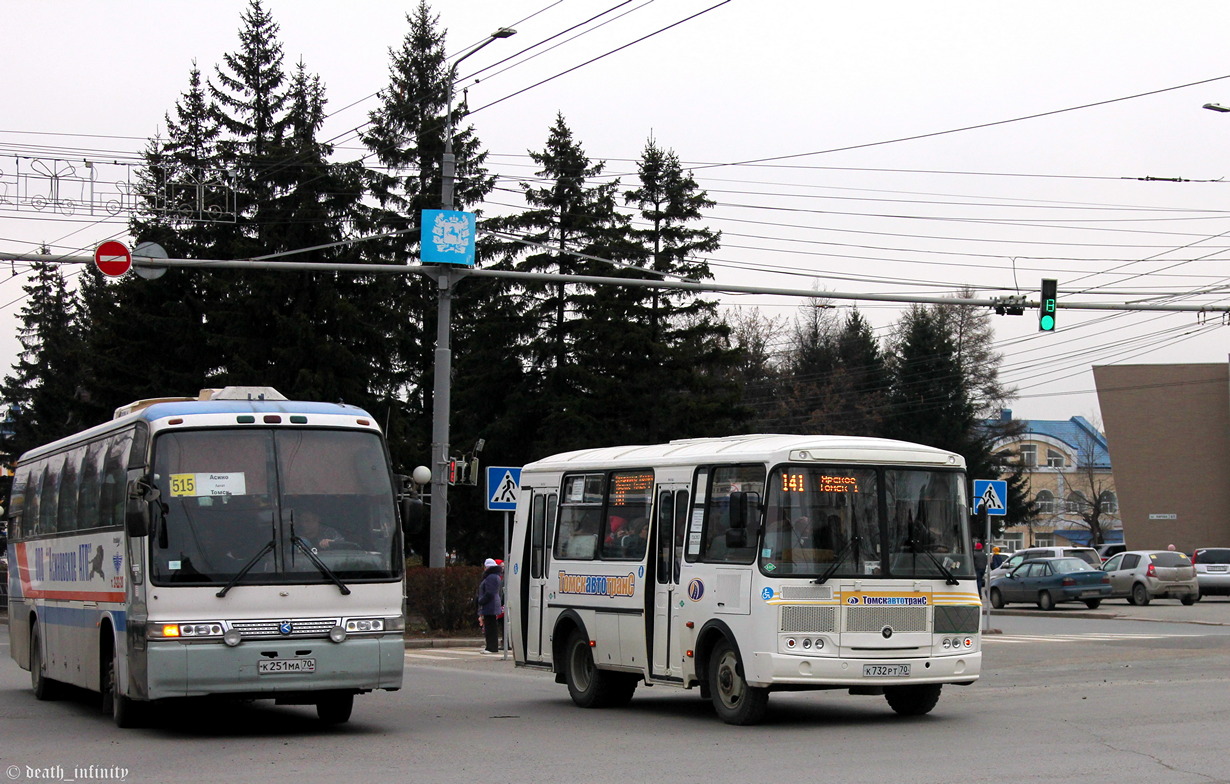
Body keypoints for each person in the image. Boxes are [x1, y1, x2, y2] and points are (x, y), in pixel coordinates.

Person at [476, 558, 503, 654]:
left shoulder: (490, 577)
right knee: (490, 626)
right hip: (492, 604)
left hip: (489, 605)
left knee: (490, 626)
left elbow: (490, 592)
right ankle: (490, 646)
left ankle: (491, 647)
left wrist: (481, 601)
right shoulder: (495, 576)